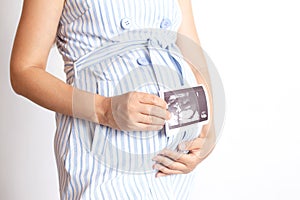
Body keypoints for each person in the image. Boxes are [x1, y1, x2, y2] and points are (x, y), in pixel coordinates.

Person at [10, 0, 216, 199]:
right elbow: (24, 71)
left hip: (172, 163)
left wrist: (208, 133)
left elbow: (194, 56)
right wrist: (105, 110)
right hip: (101, 152)